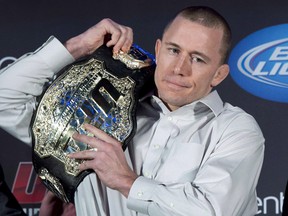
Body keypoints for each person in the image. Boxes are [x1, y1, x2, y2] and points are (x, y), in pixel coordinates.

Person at [0, 6, 265, 216]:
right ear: (159, 50)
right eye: (174, 51)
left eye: (197, 59)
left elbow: (210, 211)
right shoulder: (99, 113)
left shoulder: (235, 130)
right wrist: (77, 47)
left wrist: (127, 180)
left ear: (219, 74)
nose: (179, 68)